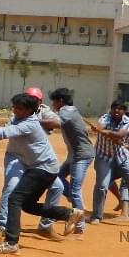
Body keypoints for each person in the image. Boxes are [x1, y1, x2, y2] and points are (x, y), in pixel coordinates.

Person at [0, 93, 85, 254]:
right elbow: (9, 127)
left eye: (19, 108)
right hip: (42, 167)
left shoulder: (29, 124)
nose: (15, 110)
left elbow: (8, 131)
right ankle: (69, 213)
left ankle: (11, 242)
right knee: (28, 205)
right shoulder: (20, 119)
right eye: (14, 107)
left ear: (29, 110)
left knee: (15, 198)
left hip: (43, 168)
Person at [0, 86, 65, 242]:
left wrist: (35, 122)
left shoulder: (41, 111)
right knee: (11, 187)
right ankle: (0, 226)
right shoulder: (17, 112)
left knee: (58, 187)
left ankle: (45, 226)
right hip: (16, 156)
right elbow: (10, 128)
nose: (31, 101)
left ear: (39, 102)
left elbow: (59, 122)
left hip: (35, 160)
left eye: (35, 100)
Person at [46, 87, 96, 236]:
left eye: (54, 101)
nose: (53, 104)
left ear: (60, 101)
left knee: (75, 191)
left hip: (82, 156)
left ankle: (80, 226)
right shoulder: (70, 111)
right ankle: (73, 197)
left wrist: (35, 120)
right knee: (56, 178)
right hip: (74, 155)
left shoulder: (67, 111)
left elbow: (55, 123)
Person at [90, 100, 129, 223]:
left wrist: (106, 132)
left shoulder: (127, 121)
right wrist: (99, 129)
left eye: (119, 109)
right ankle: (96, 216)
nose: (116, 111)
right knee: (102, 185)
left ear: (124, 111)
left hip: (121, 156)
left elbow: (120, 135)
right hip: (103, 156)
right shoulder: (105, 118)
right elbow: (100, 126)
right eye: (114, 108)